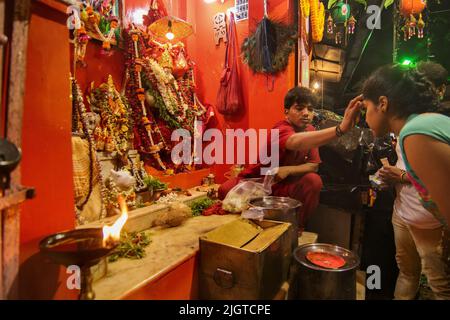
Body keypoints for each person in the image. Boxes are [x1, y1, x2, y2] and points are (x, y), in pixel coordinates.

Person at [218, 87, 363, 232]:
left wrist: (288, 170)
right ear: (286, 111)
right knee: (224, 190)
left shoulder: (310, 130)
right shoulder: (280, 128)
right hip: (261, 182)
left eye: (310, 109)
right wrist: (341, 129)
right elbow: (295, 142)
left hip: (284, 186)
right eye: (299, 108)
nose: (306, 113)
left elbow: (313, 166)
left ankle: (297, 226)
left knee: (313, 181)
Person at [362, 64, 450, 227]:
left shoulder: (415, 133)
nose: (365, 118)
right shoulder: (419, 125)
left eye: (365, 108)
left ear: (382, 103)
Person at [378, 141, 450, 299]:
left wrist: (402, 176)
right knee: (407, 273)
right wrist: (389, 176)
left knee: (440, 283)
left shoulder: (439, 129)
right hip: (403, 213)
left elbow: (441, 174)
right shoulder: (404, 127)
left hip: (433, 222)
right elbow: (403, 163)